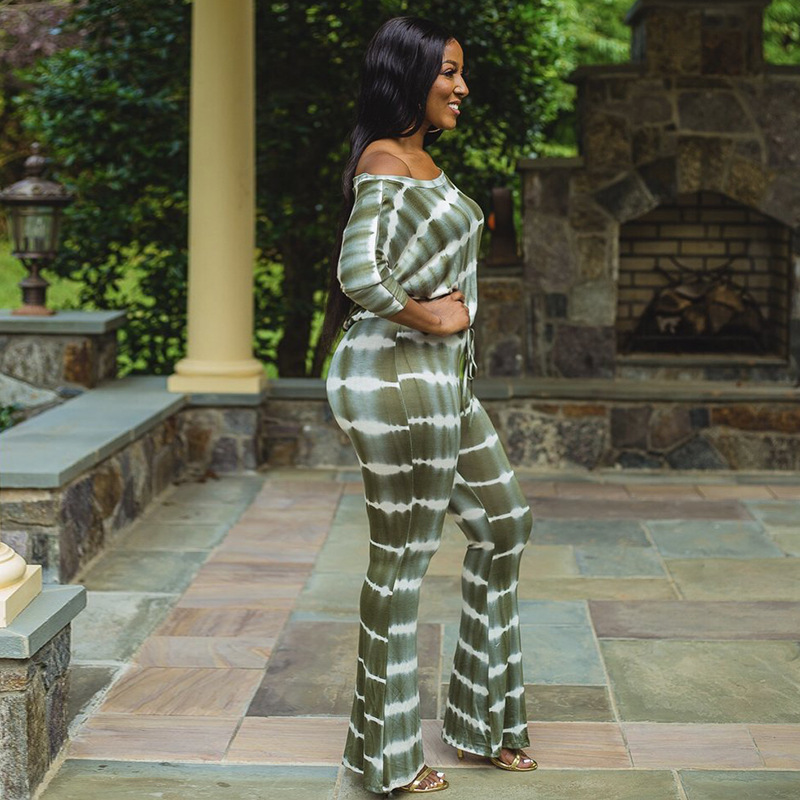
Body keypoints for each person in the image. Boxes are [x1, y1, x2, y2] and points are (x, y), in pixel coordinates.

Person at [320, 16, 535, 796]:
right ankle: (386, 759)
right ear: (409, 75)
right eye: (449, 71)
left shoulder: (420, 162)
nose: (462, 86)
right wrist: (430, 316)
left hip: (445, 384)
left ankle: (480, 718)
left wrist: (445, 333)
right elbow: (359, 274)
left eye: (459, 71)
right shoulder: (384, 161)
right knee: (403, 559)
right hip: (395, 378)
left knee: (504, 524)